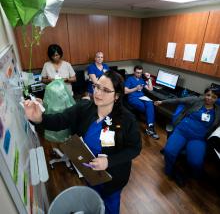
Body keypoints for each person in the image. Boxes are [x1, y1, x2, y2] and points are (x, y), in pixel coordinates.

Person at [24, 70, 141, 214]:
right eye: (97, 86)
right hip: (89, 170)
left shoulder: (127, 119)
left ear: (116, 96)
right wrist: (39, 119)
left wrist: (108, 162)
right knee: (93, 200)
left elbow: (135, 148)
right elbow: (60, 120)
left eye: (105, 90)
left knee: (110, 204)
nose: (97, 93)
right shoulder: (84, 108)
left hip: (113, 176)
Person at [154, 87, 220, 183]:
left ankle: (196, 176)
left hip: (198, 138)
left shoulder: (218, 111)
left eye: (213, 97)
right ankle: (169, 171)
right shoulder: (196, 100)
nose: (209, 98)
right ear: (205, 94)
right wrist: (162, 102)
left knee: (196, 162)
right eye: (208, 95)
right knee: (169, 152)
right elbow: (179, 100)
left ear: (217, 99)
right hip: (182, 131)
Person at [124, 65, 159, 139]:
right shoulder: (129, 79)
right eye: (137, 73)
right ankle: (150, 127)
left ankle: (150, 127)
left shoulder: (141, 80)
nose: (138, 74)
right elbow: (125, 91)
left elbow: (150, 89)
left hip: (142, 97)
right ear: (134, 72)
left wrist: (149, 78)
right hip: (133, 98)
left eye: (140, 73)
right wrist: (135, 88)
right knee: (147, 109)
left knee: (150, 103)